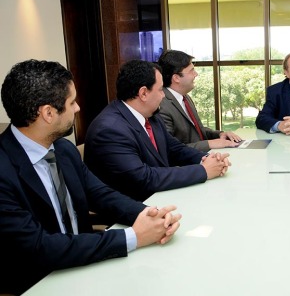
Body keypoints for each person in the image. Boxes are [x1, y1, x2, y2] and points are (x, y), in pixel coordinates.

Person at [0, 59, 181, 295]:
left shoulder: (63, 150)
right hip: (39, 282)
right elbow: (40, 248)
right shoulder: (3, 171)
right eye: (72, 102)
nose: (77, 108)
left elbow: (100, 194)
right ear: (48, 113)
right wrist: (133, 236)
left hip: (87, 265)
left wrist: (150, 215)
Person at [84, 60, 231, 202]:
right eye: (160, 89)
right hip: (134, 210)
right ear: (143, 93)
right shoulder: (110, 129)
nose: (163, 95)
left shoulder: (150, 115)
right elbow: (144, 178)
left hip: (159, 198)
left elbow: (174, 148)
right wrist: (203, 171)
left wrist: (207, 159)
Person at [157, 49, 242, 151]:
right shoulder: (162, 105)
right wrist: (209, 144)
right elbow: (171, 149)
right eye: (191, 70)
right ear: (176, 78)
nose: (196, 74)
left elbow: (196, 131)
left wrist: (220, 134)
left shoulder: (185, 97)